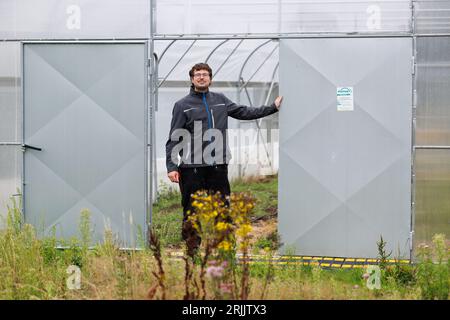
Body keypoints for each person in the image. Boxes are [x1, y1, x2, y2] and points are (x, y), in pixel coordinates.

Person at [165, 62, 283, 251]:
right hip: (191, 167)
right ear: (192, 79)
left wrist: (272, 108)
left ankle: (225, 248)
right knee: (191, 210)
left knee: (222, 208)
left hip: (217, 166)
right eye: (198, 75)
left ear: (210, 78)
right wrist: (172, 167)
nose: (201, 77)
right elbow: (174, 137)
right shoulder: (182, 105)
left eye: (205, 74)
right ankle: (192, 250)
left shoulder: (220, 100)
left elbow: (244, 112)